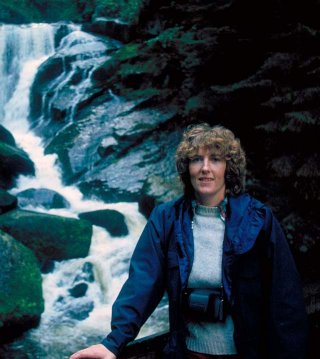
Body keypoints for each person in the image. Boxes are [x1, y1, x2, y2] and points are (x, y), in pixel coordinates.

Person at [70, 123, 308, 359]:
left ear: (228, 168)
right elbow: (143, 282)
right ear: (187, 168)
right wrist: (113, 343)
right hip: (188, 354)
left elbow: (285, 299)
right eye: (196, 160)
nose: (205, 168)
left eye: (215, 159)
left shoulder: (258, 219)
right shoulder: (166, 218)